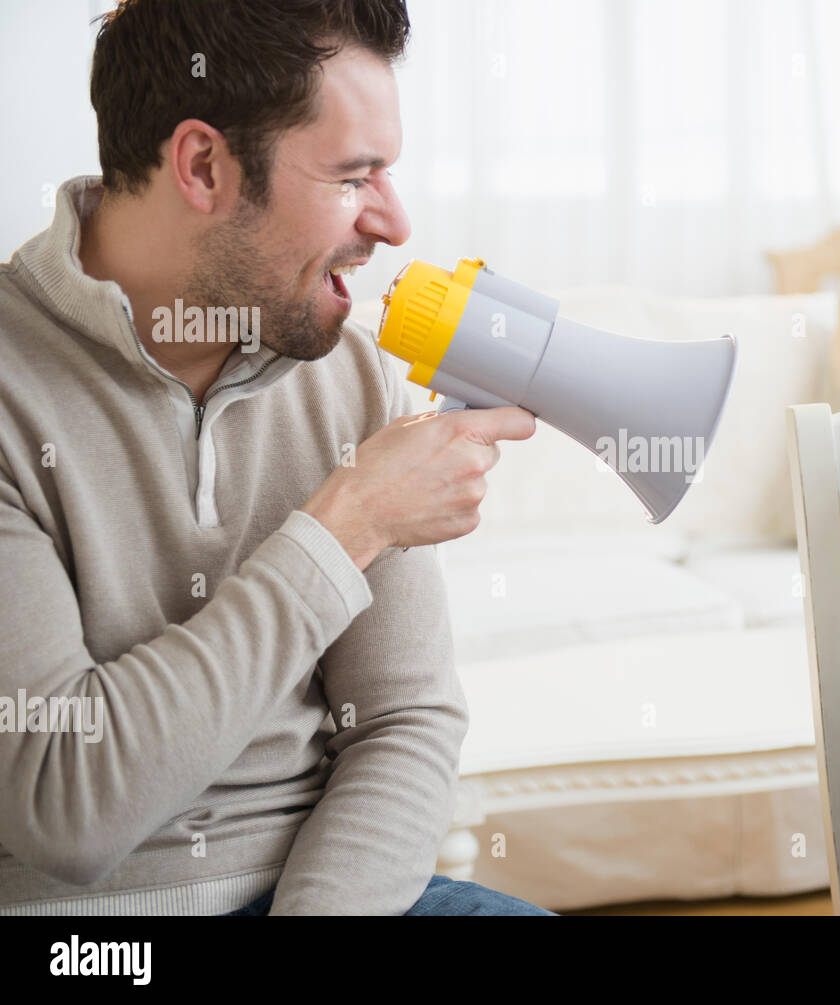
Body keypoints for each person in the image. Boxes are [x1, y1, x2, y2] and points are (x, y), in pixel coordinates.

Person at [0, 0, 555, 915]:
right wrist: (348, 524)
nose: (395, 222)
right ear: (204, 166)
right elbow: (68, 806)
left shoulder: (353, 378)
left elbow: (403, 721)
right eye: (354, 176)